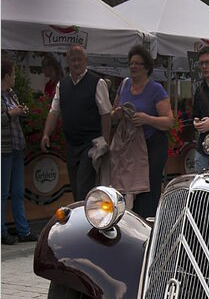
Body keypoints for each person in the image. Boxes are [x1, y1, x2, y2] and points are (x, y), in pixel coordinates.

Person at [41, 44, 112, 202]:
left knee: (83, 186)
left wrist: (105, 142)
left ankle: (85, 224)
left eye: (80, 59)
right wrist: (46, 134)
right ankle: (84, 221)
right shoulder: (62, 84)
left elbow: (106, 113)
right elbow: (54, 111)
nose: (76, 63)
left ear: (86, 61)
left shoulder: (97, 82)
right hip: (71, 144)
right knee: (75, 187)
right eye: (73, 60)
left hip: (90, 144)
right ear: (68, 62)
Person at [112, 44, 174, 218]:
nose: (133, 66)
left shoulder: (156, 90)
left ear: (146, 67)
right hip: (130, 148)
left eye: (138, 63)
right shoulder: (124, 86)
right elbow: (114, 110)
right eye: (131, 63)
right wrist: (116, 114)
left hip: (152, 146)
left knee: (147, 189)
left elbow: (169, 121)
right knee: (128, 186)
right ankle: (130, 222)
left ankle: (148, 224)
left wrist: (147, 119)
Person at [1, 59, 38, 245]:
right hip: (4, 149)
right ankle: (1, 232)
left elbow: (14, 114)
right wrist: (10, 114)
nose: (15, 77)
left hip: (16, 147)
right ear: (6, 76)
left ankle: (23, 230)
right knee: (2, 192)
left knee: (17, 191)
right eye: (13, 74)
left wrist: (21, 110)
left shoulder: (11, 94)